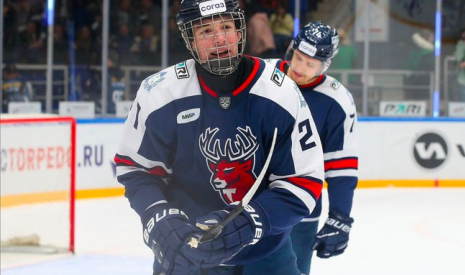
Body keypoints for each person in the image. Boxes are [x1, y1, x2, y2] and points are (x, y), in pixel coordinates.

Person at [114, 1, 324, 275]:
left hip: (266, 253)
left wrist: (252, 221)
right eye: (205, 31)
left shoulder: (280, 93)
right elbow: (136, 168)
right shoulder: (160, 94)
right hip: (183, 251)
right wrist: (158, 216)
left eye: (226, 26)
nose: (219, 39)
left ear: (239, 31)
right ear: (190, 40)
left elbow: (303, 181)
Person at [268, 21, 358, 274]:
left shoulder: (337, 99)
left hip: (300, 208)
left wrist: (340, 217)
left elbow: (341, 164)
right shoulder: (263, 76)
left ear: (325, 65)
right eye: (298, 58)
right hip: (247, 201)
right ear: (290, 50)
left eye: (310, 64)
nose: (299, 68)